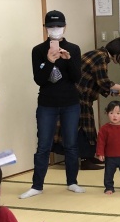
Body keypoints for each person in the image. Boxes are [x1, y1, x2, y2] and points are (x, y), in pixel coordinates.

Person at [20, 10, 84, 198]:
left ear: (65, 27)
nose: (55, 29)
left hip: (70, 102)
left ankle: (72, 182)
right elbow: (39, 80)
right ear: (45, 28)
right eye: (51, 26)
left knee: (71, 144)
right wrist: (49, 61)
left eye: (59, 26)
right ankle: (37, 185)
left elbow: (76, 77)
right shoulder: (38, 50)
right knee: (43, 145)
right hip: (47, 103)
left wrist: (68, 60)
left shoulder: (73, 49)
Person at [66, 38, 120, 171]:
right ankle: (85, 160)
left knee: (88, 126)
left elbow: (99, 83)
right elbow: (104, 82)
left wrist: (116, 91)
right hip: (79, 96)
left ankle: (89, 157)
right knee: (84, 127)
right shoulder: (100, 57)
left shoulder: (98, 54)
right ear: (118, 52)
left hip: (79, 96)